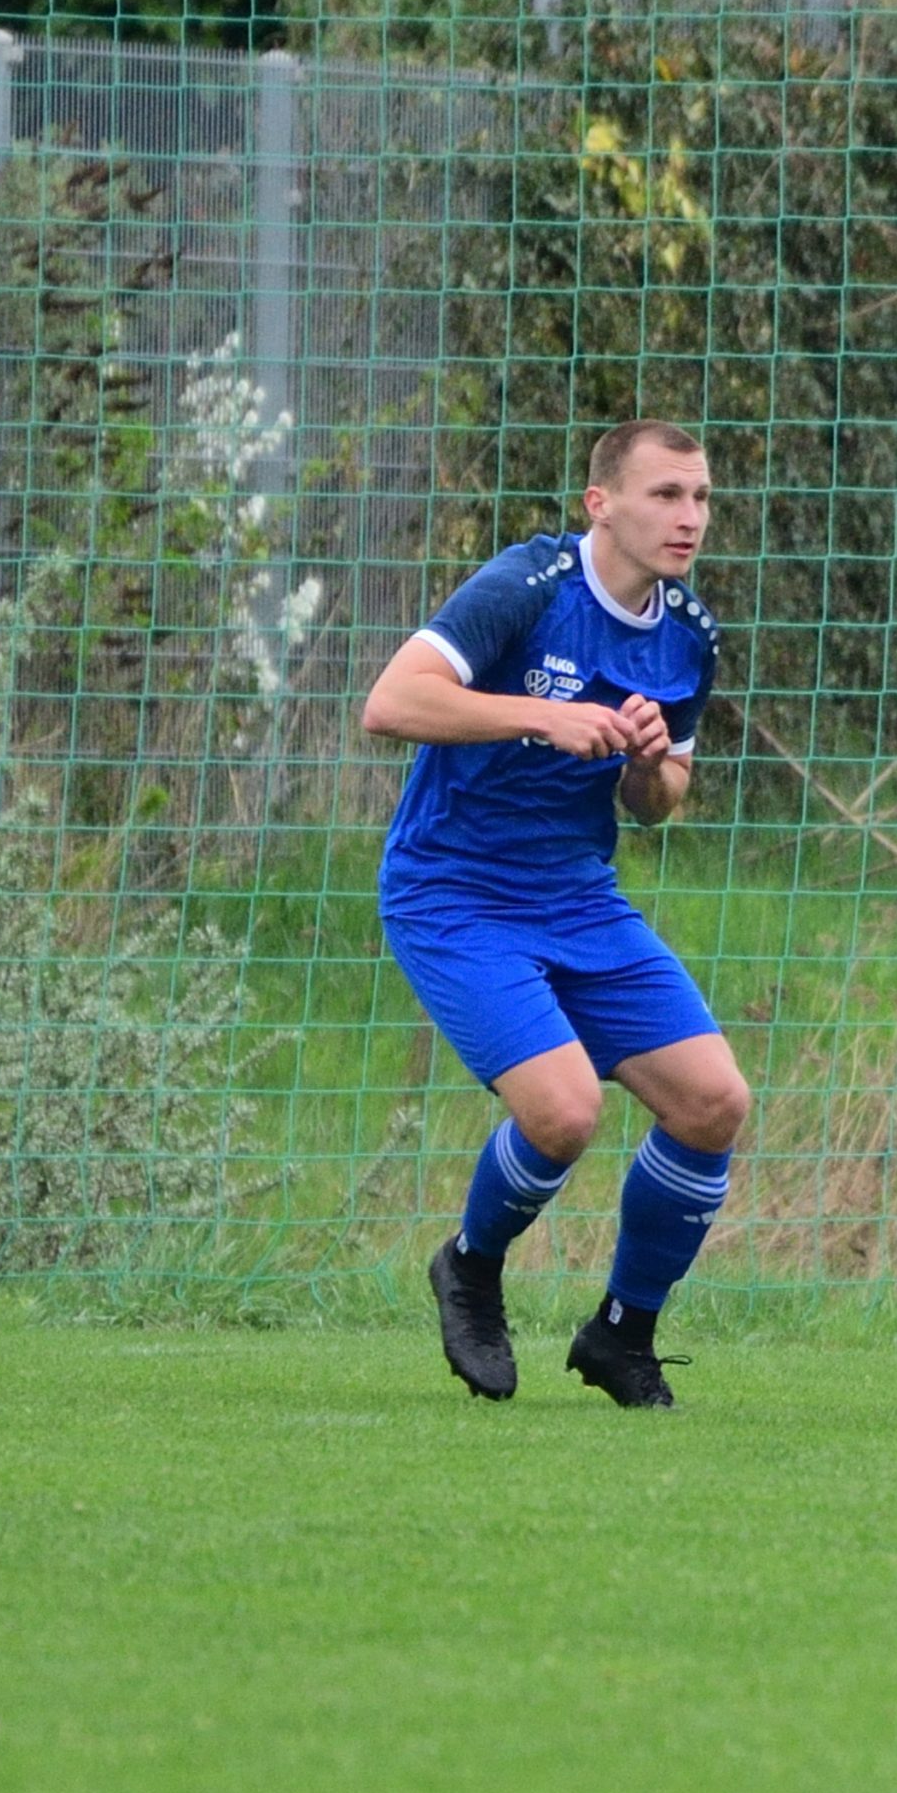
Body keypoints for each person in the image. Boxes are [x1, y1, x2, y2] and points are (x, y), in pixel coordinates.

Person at [362, 419, 750, 1410]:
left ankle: (622, 1333)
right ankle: (471, 1267)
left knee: (714, 1102)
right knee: (565, 1110)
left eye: (701, 496)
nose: (690, 516)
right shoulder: (529, 585)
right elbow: (391, 702)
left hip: (578, 897)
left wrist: (646, 763)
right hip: (453, 890)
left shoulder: (688, 634)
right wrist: (543, 713)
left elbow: (660, 804)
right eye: (666, 494)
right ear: (600, 504)